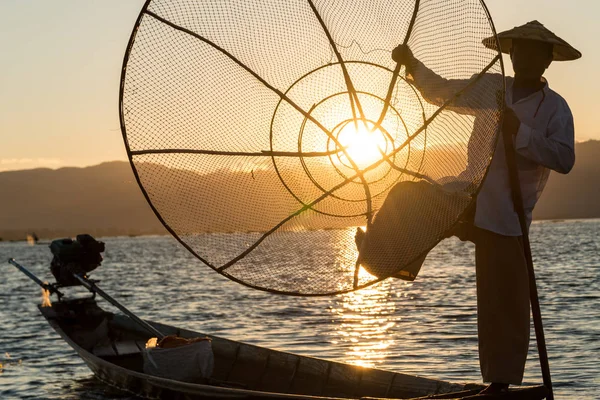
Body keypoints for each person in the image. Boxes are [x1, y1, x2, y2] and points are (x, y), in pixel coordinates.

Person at [392, 21, 580, 393]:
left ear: (546, 62)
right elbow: (445, 92)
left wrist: (519, 133)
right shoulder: (494, 88)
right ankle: (392, 258)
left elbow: (564, 158)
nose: (524, 58)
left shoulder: (556, 109)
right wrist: (412, 64)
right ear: (510, 54)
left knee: (503, 302)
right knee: (407, 197)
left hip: (508, 213)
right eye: (519, 51)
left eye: (534, 52)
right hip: (468, 193)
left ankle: (500, 385)